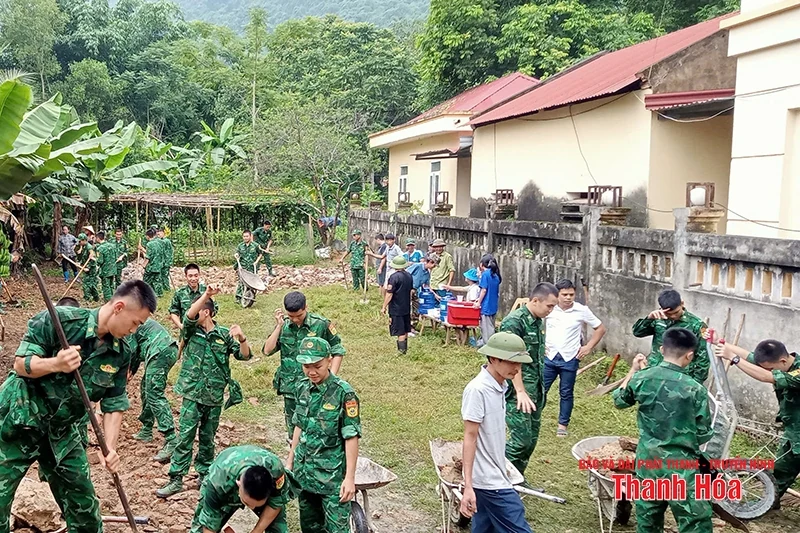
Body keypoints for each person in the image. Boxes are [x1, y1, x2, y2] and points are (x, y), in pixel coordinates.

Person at [0, 281, 155, 532]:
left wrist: (111, 449)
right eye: (135, 323)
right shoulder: (60, 320)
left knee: (85, 513)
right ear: (119, 307)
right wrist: (56, 364)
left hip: (62, 432)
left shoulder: (121, 352)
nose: (134, 330)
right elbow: (21, 364)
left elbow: (114, 403)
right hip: (19, 421)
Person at [613, 329, 713, 533]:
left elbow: (620, 400)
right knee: (695, 522)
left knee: (648, 520)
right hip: (682, 466)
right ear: (690, 355)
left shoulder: (642, 378)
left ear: (661, 349)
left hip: (648, 462)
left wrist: (633, 371)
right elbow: (703, 432)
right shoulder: (695, 389)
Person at [158, 286, 252, 498]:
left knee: (208, 438)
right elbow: (190, 315)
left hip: (213, 395)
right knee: (185, 436)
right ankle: (176, 478)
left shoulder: (223, 335)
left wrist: (242, 338)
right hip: (192, 393)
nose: (193, 312)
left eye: (200, 308)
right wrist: (207, 295)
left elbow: (244, 356)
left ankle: (205, 474)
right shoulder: (190, 331)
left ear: (207, 312)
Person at [460, 332, 534, 533]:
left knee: (485, 528)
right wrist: (468, 486)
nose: (517, 368)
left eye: (520, 363)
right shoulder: (478, 390)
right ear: (493, 359)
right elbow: (470, 436)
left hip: (496, 472)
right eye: (512, 362)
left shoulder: (501, 385)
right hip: (489, 480)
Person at [713, 339, 800, 508]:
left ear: (782, 361)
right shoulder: (780, 362)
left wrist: (734, 359)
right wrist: (719, 343)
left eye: (770, 367)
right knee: (782, 470)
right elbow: (749, 356)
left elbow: (767, 376)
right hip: (794, 432)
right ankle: (769, 503)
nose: (767, 370)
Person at [286, 337, 361, 533]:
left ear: (329, 360)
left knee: (337, 529)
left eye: (317, 366)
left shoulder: (344, 393)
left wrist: (350, 478)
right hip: (305, 474)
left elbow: (351, 436)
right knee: (310, 527)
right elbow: (299, 426)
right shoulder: (302, 387)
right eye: (306, 366)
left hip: (332, 478)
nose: (311, 372)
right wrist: (290, 462)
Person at [262, 291, 345, 437]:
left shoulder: (321, 324)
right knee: (294, 428)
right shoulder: (284, 327)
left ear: (306, 307)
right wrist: (279, 326)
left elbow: (338, 349)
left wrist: (332, 376)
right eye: (290, 316)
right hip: (291, 387)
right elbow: (267, 350)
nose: (295, 320)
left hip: (317, 385)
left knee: (318, 425)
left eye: (298, 316)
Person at [498, 282, 559, 480]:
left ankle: (517, 479)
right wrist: (520, 391)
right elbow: (509, 359)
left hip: (536, 390)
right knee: (520, 441)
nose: (551, 310)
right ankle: (495, 476)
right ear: (535, 300)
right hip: (519, 392)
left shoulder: (537, 321)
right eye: (549, 306)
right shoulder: (515, 322)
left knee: (531, 440)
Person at [543, 279, 606, 437]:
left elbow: (600, 328)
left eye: (571, 294)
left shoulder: (581, 310)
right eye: (564, 294)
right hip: (549, 356)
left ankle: (562, 425)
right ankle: (533, 418)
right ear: (557, 295)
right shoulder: (549, 309)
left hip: (570, 357)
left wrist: (589, 347)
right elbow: (536, 323)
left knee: (566, 392)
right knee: (541, 389)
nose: (568, 298)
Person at [190, 445, 290, 533]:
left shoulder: (275, 470)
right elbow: (209, 527)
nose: (252, 509)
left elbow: (276, 503)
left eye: (257, 505)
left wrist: (256, 531)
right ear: (238, 485)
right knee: (199, 529)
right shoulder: (218, 482)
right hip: (225, 479)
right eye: (247, 503)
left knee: (278, 529)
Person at [632, 289, 709, 384]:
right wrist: (649, 318)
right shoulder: (658, 319)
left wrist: (695, 383)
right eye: (669, 314)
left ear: (682, 304)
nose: (672, 316)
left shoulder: (697, 325)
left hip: (680, 378)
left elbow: (703, 358)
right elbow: (637, 332)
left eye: (676, 312)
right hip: (656, 372)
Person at [130, 318, 179, 463]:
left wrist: (129, 371)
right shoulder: (132, 319)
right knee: (146, 387)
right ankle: (146, 429)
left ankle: (171, 439)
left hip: (160, 351)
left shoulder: (129, 322)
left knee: (154, 393)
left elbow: (131, 351)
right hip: (165, 350)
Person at [382, 256, 413, 355]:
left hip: (396, 308)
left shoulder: (394, 277)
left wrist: (384, 306)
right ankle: (405, 349)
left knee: (400, 330)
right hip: (406, 307)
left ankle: (401, 351)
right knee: (406, 328)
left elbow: (389, 293)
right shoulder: (409, 276)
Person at [170, 263, 216, 328]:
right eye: (190, 276)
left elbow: (214, 309)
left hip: (203, 330)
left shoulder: (206, 291)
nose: (193, 279)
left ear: (199, 275)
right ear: (186, 276)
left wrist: (209, 295)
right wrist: (180, 326)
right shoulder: (180, 293)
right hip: (187, 331)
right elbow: (174, 312)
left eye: (196, 275)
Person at [474, 254, 502, 348]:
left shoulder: (485, 275)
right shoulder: (496, 275)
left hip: (486, 305)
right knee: (491, 325)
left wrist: (478, 302)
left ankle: (489, 346)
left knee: (486, 328)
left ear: (482, 265)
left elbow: (484, 290)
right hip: (493, 304)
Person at [406, 253, 439, 326]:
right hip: (407, 289)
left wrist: (435, 295)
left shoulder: (427, 273)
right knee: (408, 309)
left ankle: (413, 326)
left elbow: (426, 286)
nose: (434, 267)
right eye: (434, 265)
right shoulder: (417, 266)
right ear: (430, 262)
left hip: (415, 291)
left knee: (417, 308)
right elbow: (406, 274)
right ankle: (407, 327)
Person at [234, 230, 260, 305]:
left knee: (251, 283)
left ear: (250, 236)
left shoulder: (255, 245)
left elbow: (260, 254)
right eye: (244, 236)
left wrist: (256, 262)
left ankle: (250, 297)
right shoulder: (240, 245)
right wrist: (236, 255)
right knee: (241, 282)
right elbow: (237, 253)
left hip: (252, 267)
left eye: (247, 236)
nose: (245, 238)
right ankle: (238, 297)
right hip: (243, 267)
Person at [75, 232, 99, 302]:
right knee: (90, 283)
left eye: (80, 241)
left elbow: (93, 259)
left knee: (87, 283)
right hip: (86, 267)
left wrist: (88, 267)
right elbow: (82, 258)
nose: (79, 242)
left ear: (84, 240)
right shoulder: (83, 247)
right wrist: (78, 258)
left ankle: (87, 298)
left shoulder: (89, 248)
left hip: (91, 269)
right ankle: (95, 297)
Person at [95, 231, 118, 302]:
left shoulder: (100, 248)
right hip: (113, 269)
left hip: (105, 271)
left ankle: (108, 302)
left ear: (98, 238)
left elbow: (100, 261)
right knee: (111, 285)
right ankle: (113, 299)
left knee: (106, 287)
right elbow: (116, 257)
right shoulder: (113, 246)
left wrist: (94, 259)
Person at [142, 228, 164, 297]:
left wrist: (143, 266)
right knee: (157, 280)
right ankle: (159, 294)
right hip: (159, 265)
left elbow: (148, 257)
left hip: (151, 266)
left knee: (146, 281)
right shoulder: (160, 242)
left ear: (148, 236)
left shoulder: (149, 244)